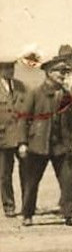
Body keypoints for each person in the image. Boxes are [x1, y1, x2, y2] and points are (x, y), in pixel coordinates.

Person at [18, 45, 72, 227]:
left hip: (60, 145)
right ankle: (27, 214)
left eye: (64, 71)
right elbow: (23, 119)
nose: (62, 74)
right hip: (38, 144)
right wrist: (23, 142)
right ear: (48, 73)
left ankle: (71, 215)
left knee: (67, 181)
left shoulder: (65, 94)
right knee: (32, 182)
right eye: (58, 72)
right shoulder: (35, 93)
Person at [1, 57, 28, 217]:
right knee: (4, 174)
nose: (10, 70)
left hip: (21, 137)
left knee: (27, 172)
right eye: (6, 67)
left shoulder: (20, 86)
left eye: (12, 67)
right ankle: (9, 205)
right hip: (3, 138)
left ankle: (28, 204)